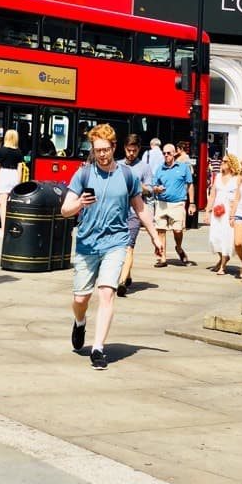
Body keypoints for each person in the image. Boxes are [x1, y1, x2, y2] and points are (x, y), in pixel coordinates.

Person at [61, 123, 163, 369]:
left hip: (116, 242)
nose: (102, 154)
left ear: (114, 147)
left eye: (106, 149)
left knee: (107, 293)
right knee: (80, 298)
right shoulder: (83, 174)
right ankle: (80, 321)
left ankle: (98, 349)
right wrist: (79, 205)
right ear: (93, 150)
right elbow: (65, 210)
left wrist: (154, 236)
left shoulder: (127, 175)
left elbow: (140, 208)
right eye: (98, 150)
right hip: (87, 243)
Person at [116, 133, 153, 297]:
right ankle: (128, 274)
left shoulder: (144, 167)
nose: (131, 153)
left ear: (139, 150)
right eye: (129, 150)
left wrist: (138, 184)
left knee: (129, 246)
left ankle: (122, 282)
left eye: (134, 151)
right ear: (124, 148)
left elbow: (150, 190)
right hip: (117, 212)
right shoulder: (117, 165)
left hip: (135, 213)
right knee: (118, 247)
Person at [152, 143, 196, 266]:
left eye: (169, 153)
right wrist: (157, 189)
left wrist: (192, 203)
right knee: (161, 230)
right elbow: (154, 186)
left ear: (174, 154)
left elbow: (190, 185)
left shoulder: (183, 168)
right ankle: (163, 258)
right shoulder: (160, 169)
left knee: (177, 230)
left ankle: (179, 247)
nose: (166, 155)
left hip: (177, 204)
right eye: (164, 153)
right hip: (161, 203)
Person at [207, 154, 241, 274]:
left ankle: (223, 265)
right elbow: (212, 195)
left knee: (227, 237)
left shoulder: (237, 178)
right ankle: (222, 258)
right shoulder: (218, 177)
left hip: (230, 211)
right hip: (217, 210)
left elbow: (239, 197)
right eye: (222, 161)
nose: (222, 163)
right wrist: (207, 211)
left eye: (225, 161)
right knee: (215, 237)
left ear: (231, 163)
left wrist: (234, 213)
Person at [0, 129, 24, 236]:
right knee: (12, 205)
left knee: (3, 205)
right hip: (14, 175)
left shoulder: (1, 151)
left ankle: (3, 229)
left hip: (4, 175)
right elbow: (20, 169)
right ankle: (12, 227)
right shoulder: (19, 151)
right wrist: (18, 183)